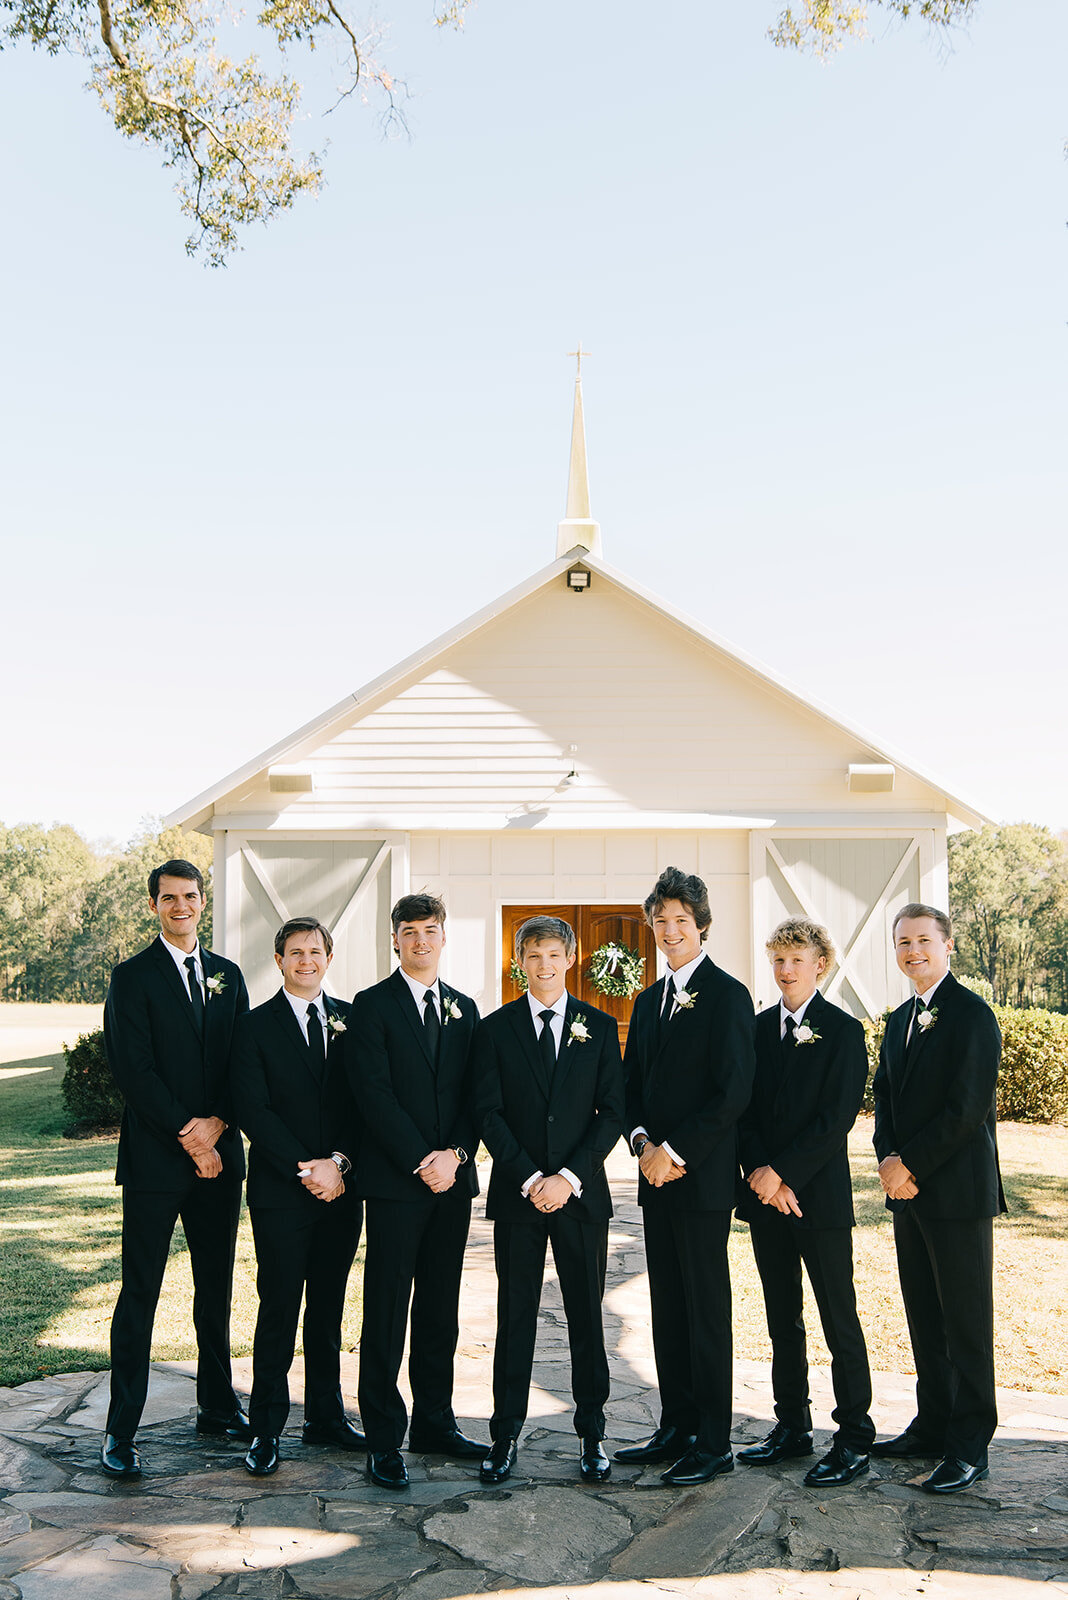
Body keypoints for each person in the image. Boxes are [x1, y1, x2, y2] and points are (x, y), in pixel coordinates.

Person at [100, 858, 249, 1478]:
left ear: (202, 901)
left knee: (215, 1288)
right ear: (154, 905)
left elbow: (245, 1059)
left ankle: (216, 1404)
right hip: (158, 1161)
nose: (180, 906)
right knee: (141, 1292)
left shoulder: (227, 974)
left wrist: (218, 1125)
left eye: (190, 896)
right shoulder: (132, 977)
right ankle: (120, 1430)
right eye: (169, 898)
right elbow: (133, 1069)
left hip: (221, 1160)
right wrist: (191, 1134)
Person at [615, 866, 755, 1486]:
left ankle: (713, 1439)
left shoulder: (728, 995)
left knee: (704, 1307)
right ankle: (674, 1425)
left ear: (701, 926)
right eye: (660, 922)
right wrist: (643, 1142)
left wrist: (675, 1151)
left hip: (698, 1181)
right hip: (653, 1175)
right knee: (666, 1305)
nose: (669, 931)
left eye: (680, 921)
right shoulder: (647, 1001)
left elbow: (733, 1092)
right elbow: (631, 1087)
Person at [473, 915, 624, 1485]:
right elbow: (487, 1111)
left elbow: (611, 1112)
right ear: (520, 962)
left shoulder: (600, 1027)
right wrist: (531, 1176)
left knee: (587, 1315)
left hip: (580, 1199)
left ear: (571, 958)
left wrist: (568, 1177)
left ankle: (593, 1434)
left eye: (553, 955)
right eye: (532, 955)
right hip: (520, 1198)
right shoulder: (496, 1029)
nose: (543, 965)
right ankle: (505, 1433)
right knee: (516, 1317)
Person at [346, 892, 486, 1489]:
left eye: (431, 930)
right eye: (409, 931)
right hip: (397, 1185)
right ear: (395, 940)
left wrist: (454, 1156)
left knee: (439, 1307)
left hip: (451, 1184)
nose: (421, 940)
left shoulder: (465, 1009)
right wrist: (418, 1160)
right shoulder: (371, 1007)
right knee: (386, 1307)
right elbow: (371, 1094)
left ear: (444, 936)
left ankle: (435, 1419)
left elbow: (478, 1096)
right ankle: (383, 1436)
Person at [871, 902, 1005, 1494]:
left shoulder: (973, 1016)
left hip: (957, 1193)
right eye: (903, 942)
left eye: (923, 940)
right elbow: (884, 1102)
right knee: (925, 1317)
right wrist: (886, 1160)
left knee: (965, 1322)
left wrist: (911, 1164)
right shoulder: (899, 1018)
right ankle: (932, 1423)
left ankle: (970, 1442)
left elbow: (967, 1107)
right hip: (908, 1194)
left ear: (948, 946)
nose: (913, 951)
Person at [736, 919, 874, 1486]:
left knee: (838, 1317)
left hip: (818, 1199)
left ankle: (854, 1437)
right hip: (765, 1200)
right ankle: (791, 1424)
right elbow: (742, 1110)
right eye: (778, 960)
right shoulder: (756, 1028)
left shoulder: (843, 1031)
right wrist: (761, 1175)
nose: (786, 970)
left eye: (796, 959)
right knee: (781, 1317)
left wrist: (785, 1174)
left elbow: (836, 1117)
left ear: (821, 963)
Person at [231, 917, 364, 1476]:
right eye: (295, 952)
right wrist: (306, 1168)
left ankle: (327, 1415)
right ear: (279, 961)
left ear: (328, 958)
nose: (305, 960)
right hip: (281, 1190)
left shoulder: (352, 1022)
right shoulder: (254, 1027)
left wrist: (336, 1164)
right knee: (279, 1305)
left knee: (329, 1307)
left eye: (315, 951)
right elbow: (252, 1109)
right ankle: (266, 1428)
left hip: (341, 1188)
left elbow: (367, 1102)